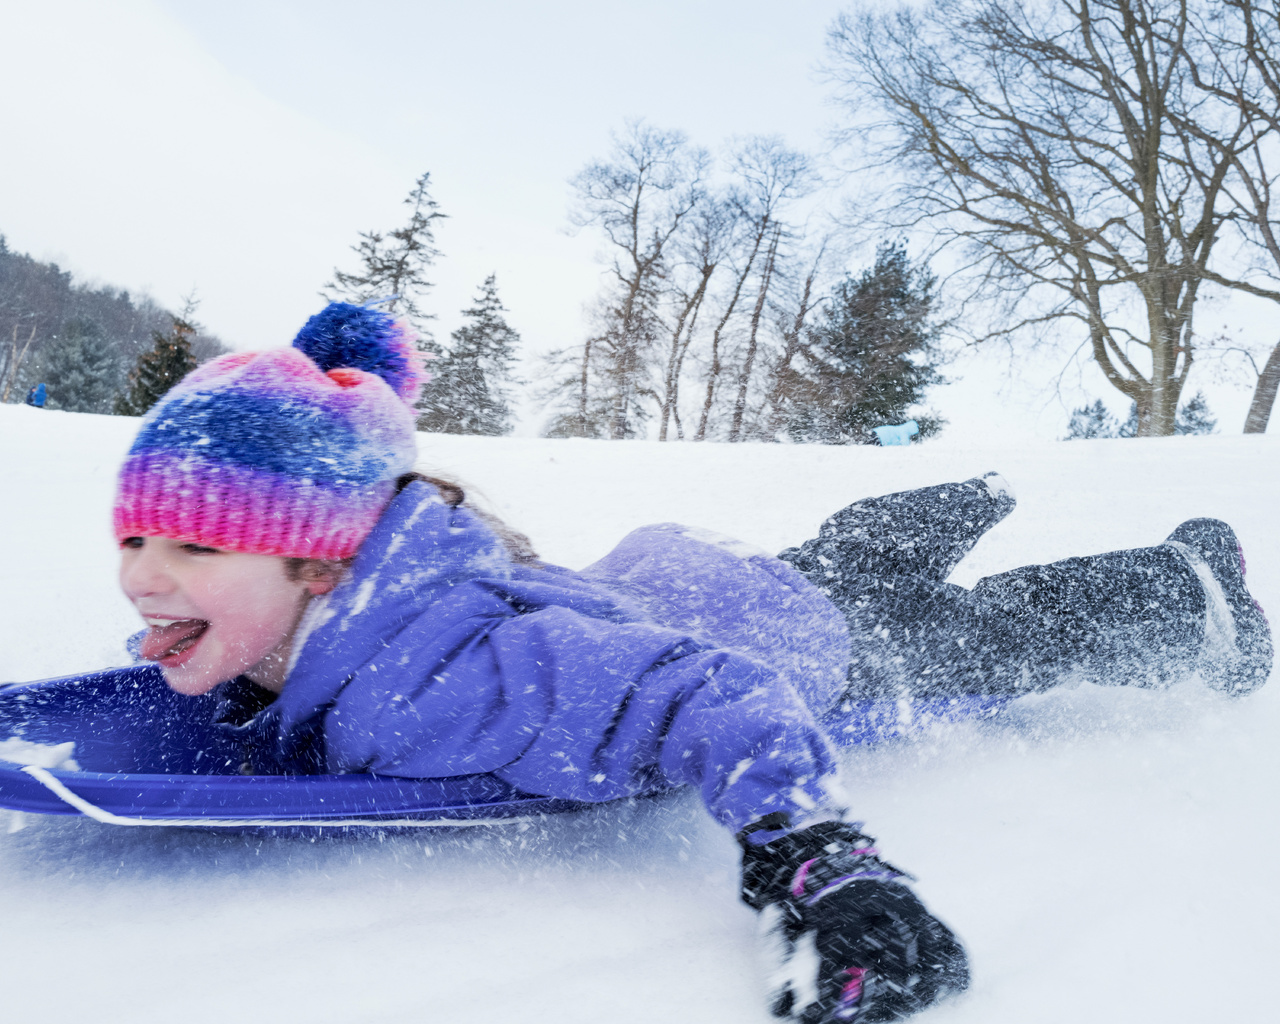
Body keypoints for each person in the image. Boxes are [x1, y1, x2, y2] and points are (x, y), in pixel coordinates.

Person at [111, 303, 1271, 1024]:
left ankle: (1187, 584)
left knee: (955, 645)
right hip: (683, 583)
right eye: (132, 539)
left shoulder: (457, 676)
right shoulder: (354, 610)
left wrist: (817, 856)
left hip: (768, 642)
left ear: (321, 564)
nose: (141, 578)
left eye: (194, 544)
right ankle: (904, 529)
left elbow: (709, 693)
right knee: (834, 572)